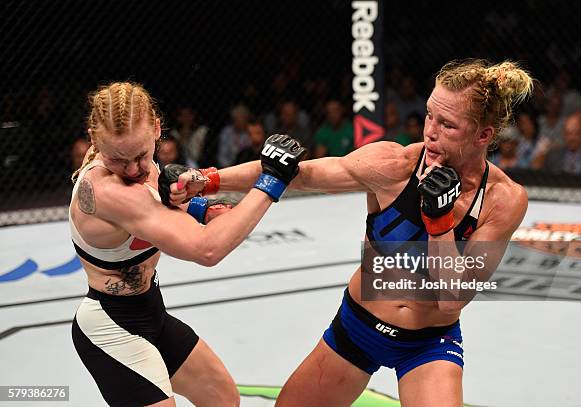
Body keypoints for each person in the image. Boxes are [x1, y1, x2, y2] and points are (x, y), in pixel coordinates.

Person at [170, 59, 533, 406]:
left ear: (484, 134)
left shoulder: (503, 200)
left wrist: (439, 225)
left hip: (429, 343)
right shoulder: (394, 165)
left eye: (448, 125)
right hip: (357, 328)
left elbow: (452, 299)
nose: (430, 132)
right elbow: (295, 173)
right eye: (429, 115)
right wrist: (206, 180)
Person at [69, 82, 305, 406]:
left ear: (156, 129)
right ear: (94, 141)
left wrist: (198, 205)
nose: (134, 169)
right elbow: (207, 250)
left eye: (140, 156)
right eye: (118, 160)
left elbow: (162, 196)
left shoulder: (133, 166)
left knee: (223, 397)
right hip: (110, 328)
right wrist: (270, 183)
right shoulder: (109, 192)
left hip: (151, 312)